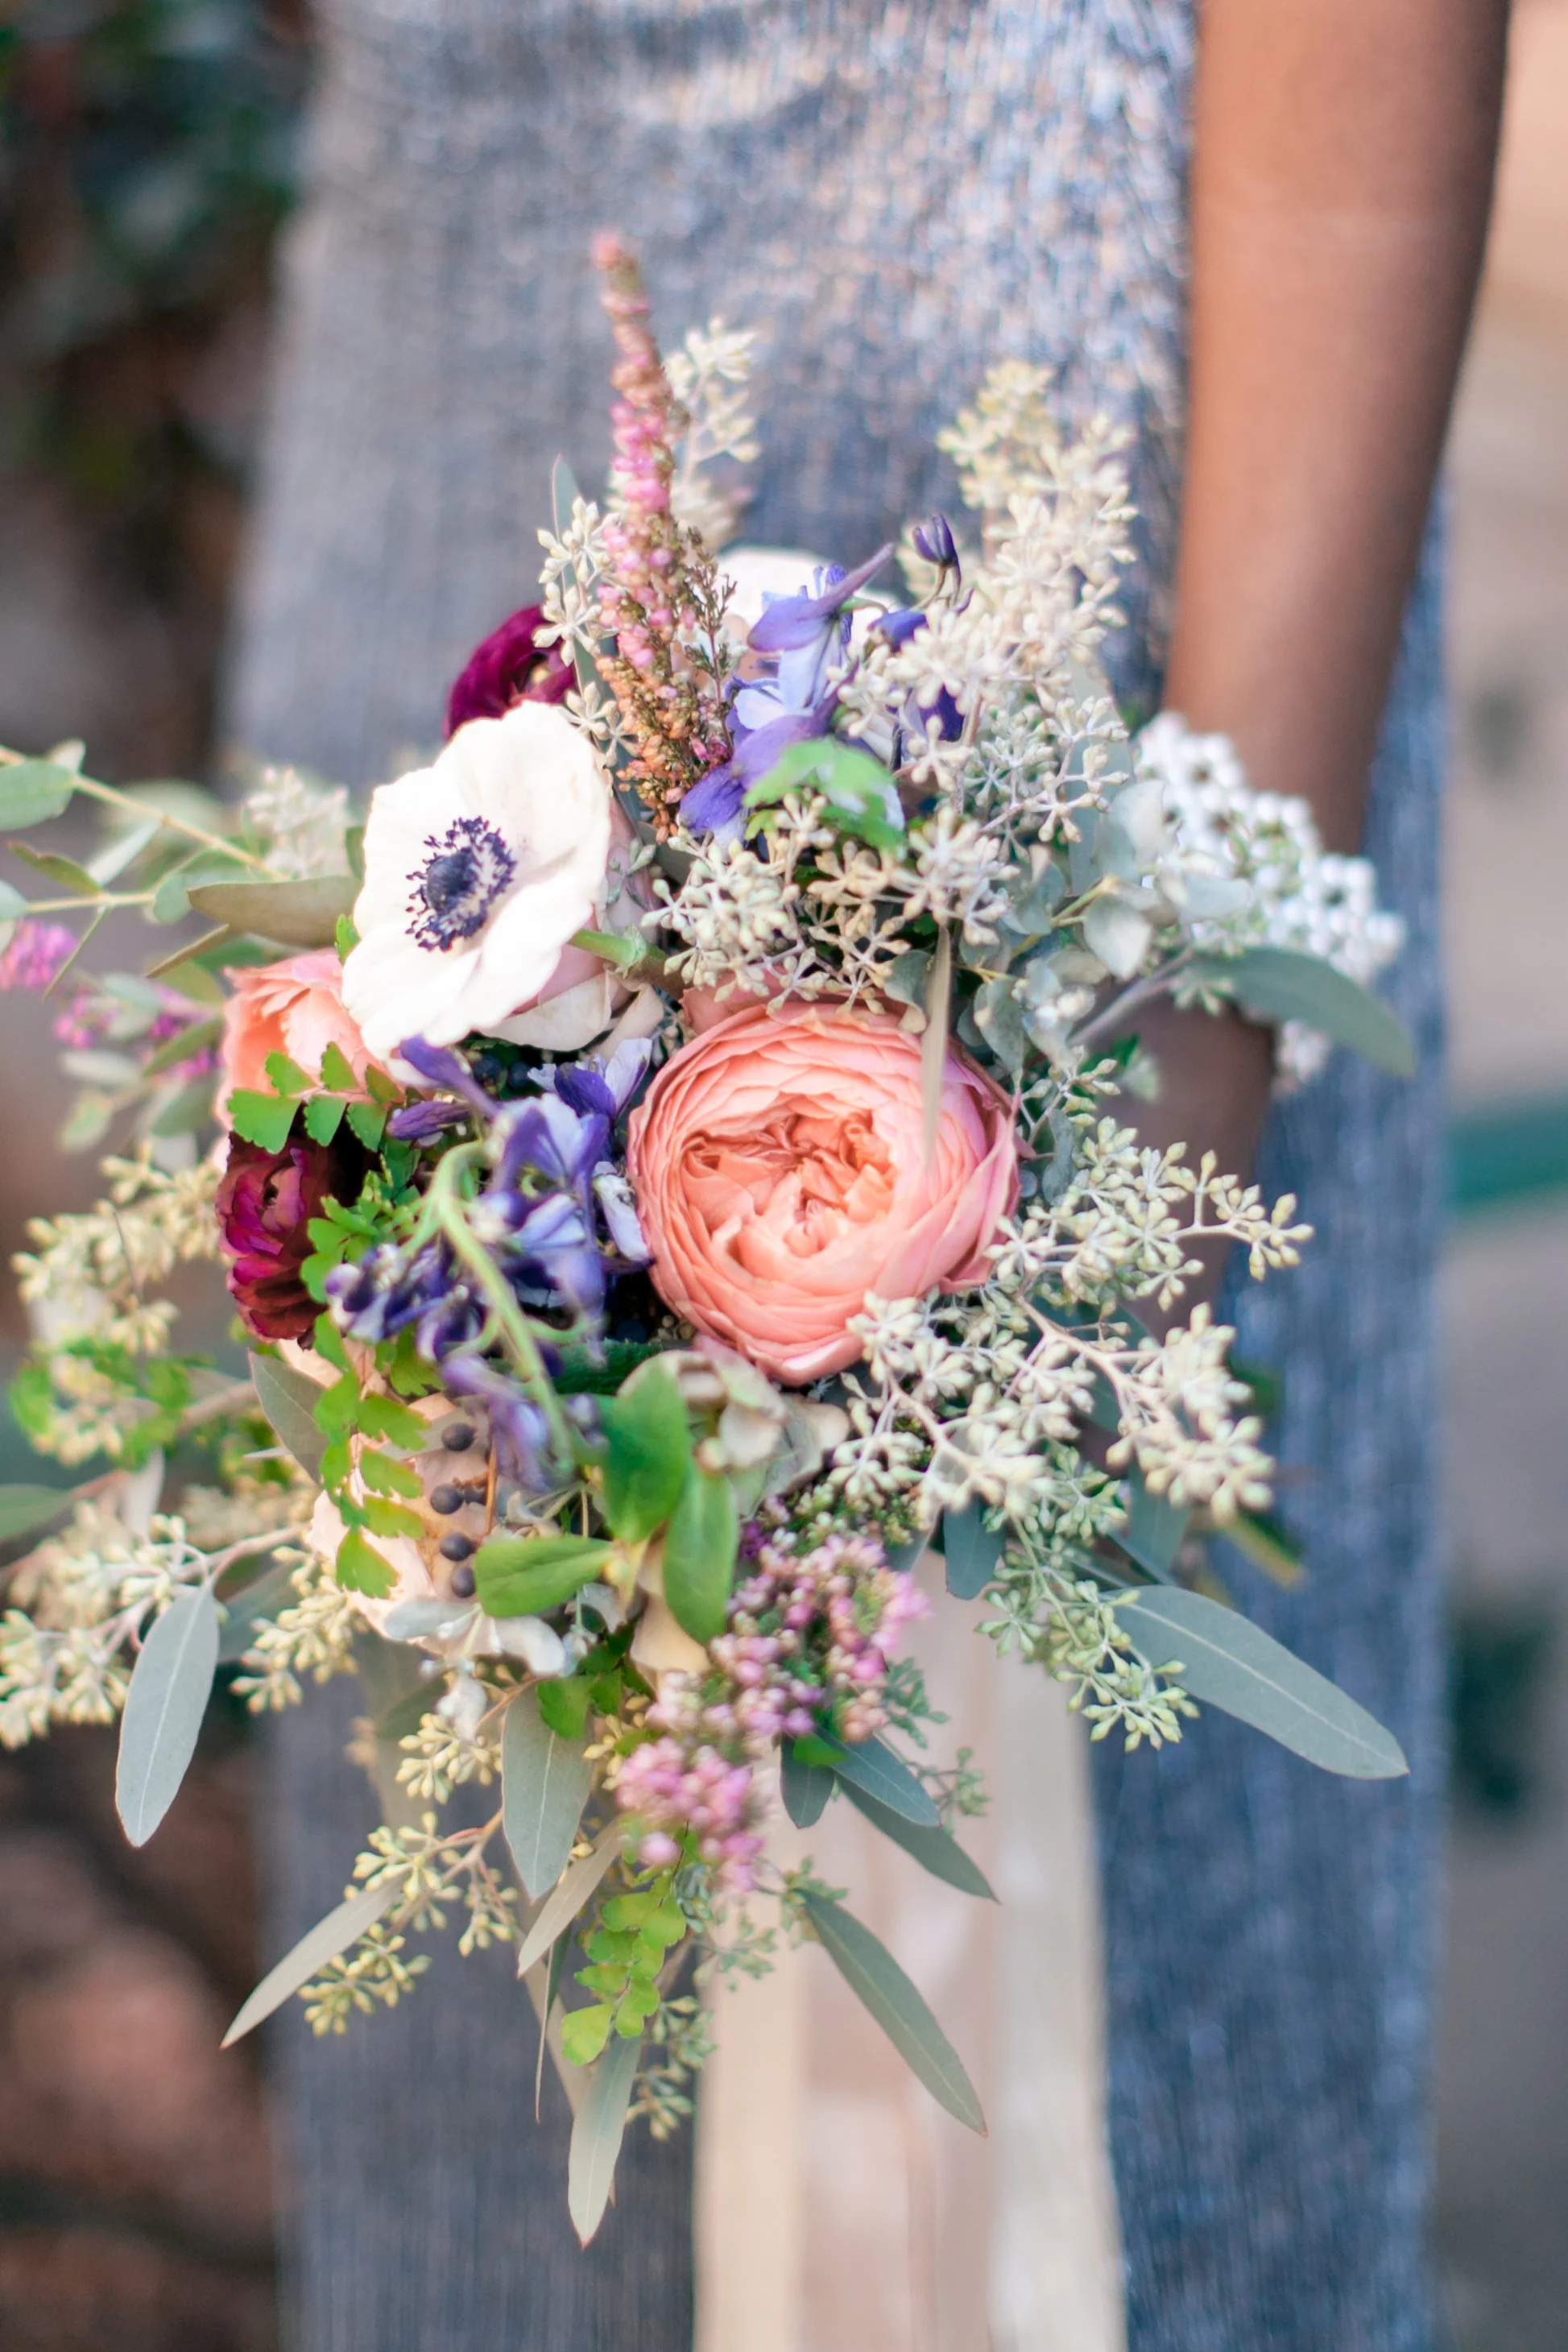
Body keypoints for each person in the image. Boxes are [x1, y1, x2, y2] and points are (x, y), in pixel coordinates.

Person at [231, 2, 1509, 2343]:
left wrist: (1211, 974)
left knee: (1106, 2078)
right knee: (495, 2041)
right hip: (432, 335)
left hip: (1047, 413)